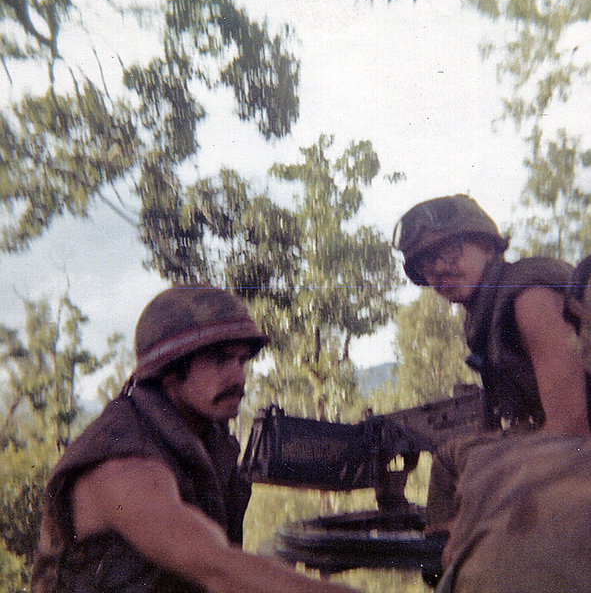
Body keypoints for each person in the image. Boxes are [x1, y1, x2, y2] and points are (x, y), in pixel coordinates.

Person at [31, 284, 359, 593]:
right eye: (219, 361)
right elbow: (213, 566)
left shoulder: (204, 436)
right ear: (171, 371)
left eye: (241, 360)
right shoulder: (124, 462)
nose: (238, 378)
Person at [393, 194, 591, 589]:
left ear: (487, 246)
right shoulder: (486, 309)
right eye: (425, 261)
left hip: (576, 440)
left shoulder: (528, 297)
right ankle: (450, 565)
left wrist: (492, 477)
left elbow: (571, 424)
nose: (439, 268)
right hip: (558, 436)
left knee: (476, 469)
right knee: (451, 455)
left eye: (450, 250)